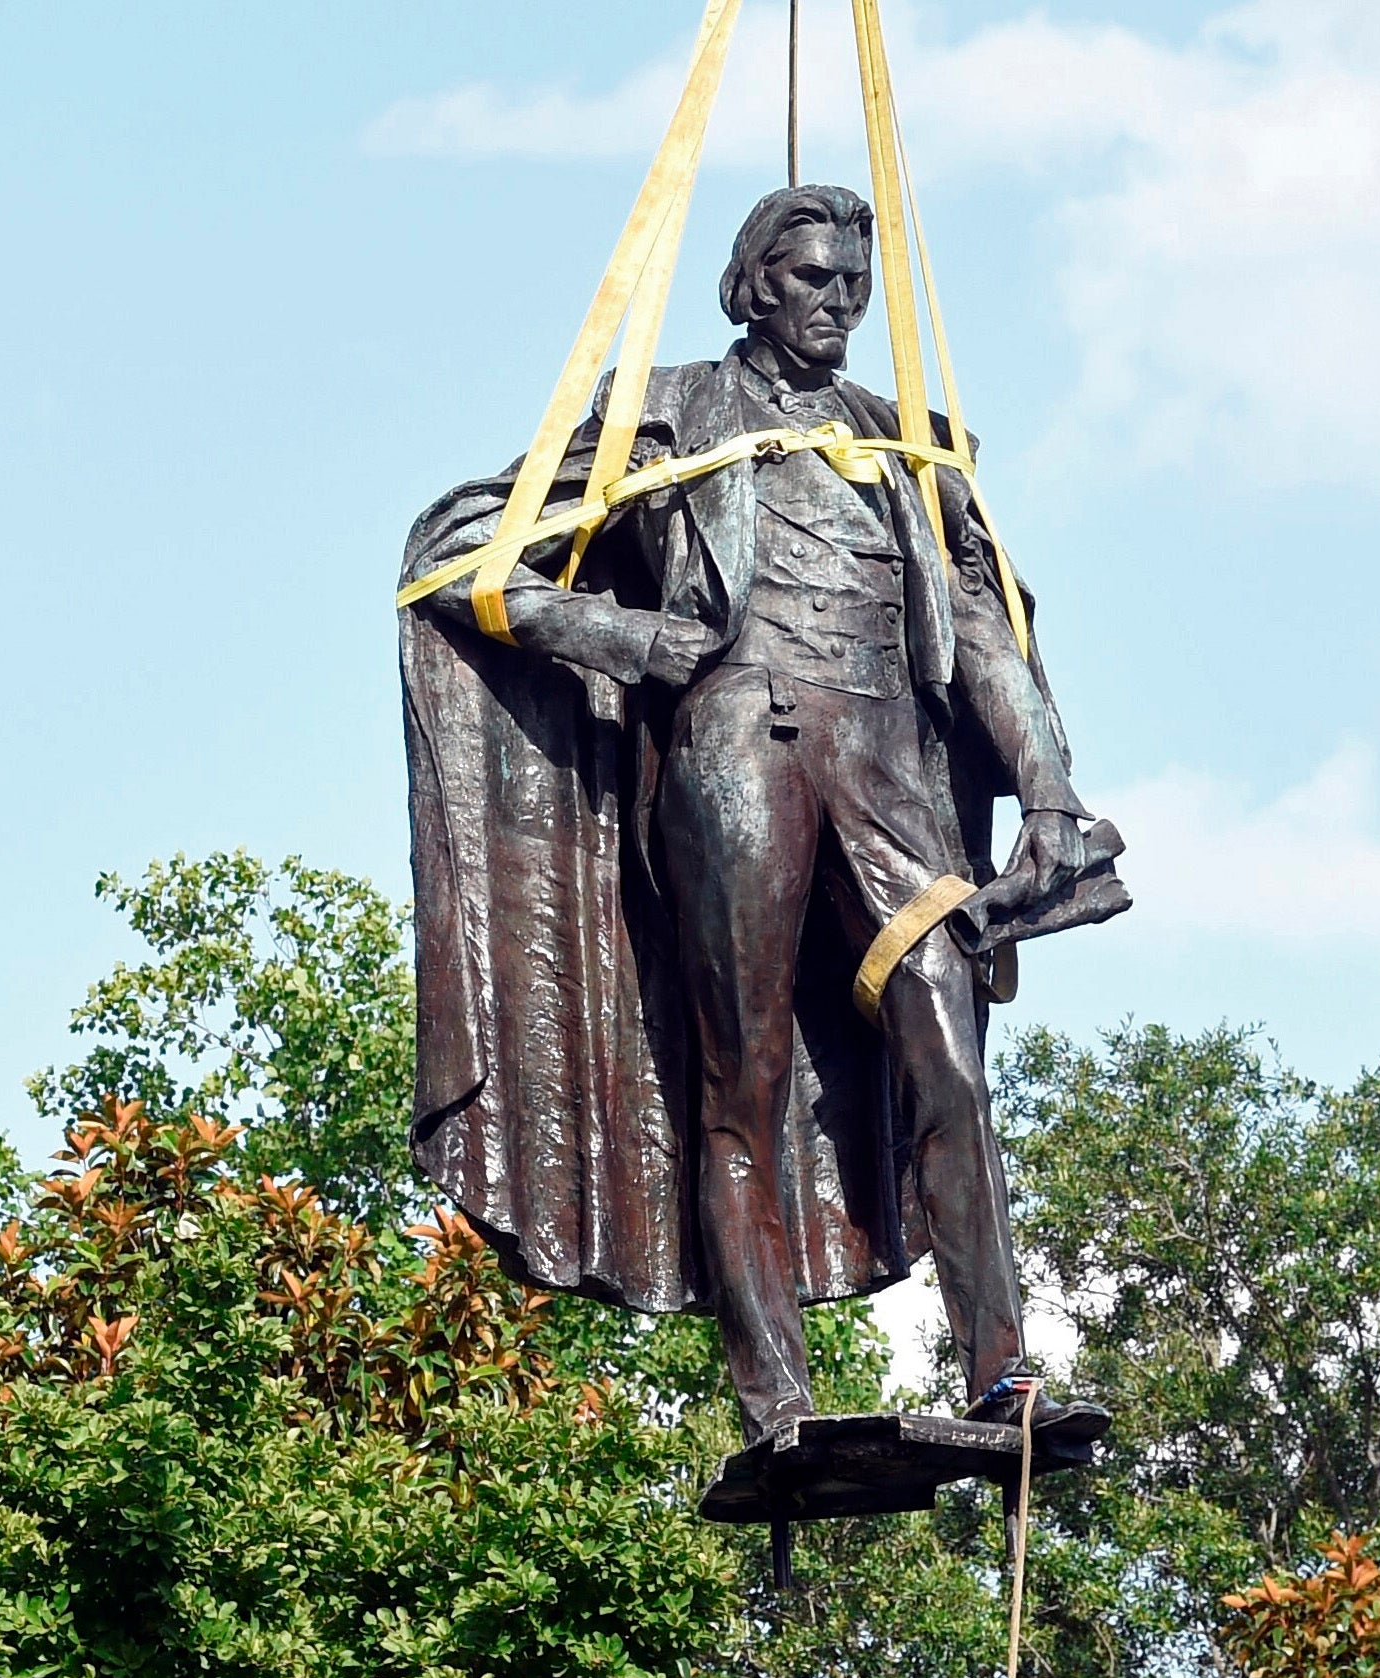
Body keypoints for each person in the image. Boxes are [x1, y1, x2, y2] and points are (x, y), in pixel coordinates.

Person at [397, 184, 1120, 1443]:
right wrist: (622, 634)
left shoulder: (901, 441)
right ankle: (776, 1403)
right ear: (750, 285)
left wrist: (1048, 785)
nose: (838, 302)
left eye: (852, 282)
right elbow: (457, 559)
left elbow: (985, 624)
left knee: (949, 1058)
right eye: (810, 280)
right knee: (744, 1076)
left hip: (889, 770)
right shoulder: (667, 411)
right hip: (738, 750)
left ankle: (1001, 1368)